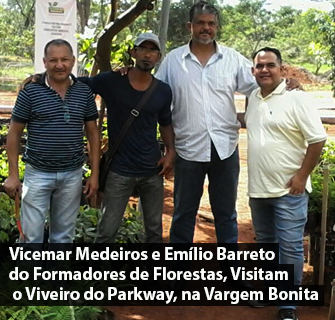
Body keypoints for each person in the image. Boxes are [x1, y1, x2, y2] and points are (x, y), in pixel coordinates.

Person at [155, 1, 259, 245]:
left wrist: (249, 117)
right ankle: (178, 274)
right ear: (189, 26)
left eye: (211, 23)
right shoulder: (173, 61)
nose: (206, 28)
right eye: (200, 23)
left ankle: (230, 274)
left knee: (225, 214)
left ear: (217, 27)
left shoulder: (232, 59)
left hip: (225, 148)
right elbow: (157, 97)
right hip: (187, 149)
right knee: (183, 214)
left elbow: (257, 88)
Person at [243, 47, 327, 320]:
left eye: (270, 65)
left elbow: (317, 139)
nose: (264, 70)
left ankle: (288, 303)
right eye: (259, 66)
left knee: (290, 245)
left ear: (281, 68)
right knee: (267, 243)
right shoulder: (253, 98)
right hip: (259, 188)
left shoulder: (296, 99)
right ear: (253, 70)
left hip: (289, 189)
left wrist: (302, 175)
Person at [79, 32, 175, 243]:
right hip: (119, 171)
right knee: (107, 230)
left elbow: (166, 124)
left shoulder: (163, 91)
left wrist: (170, 153)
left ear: (158, 57)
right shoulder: (112, 81)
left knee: (154, 231)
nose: (147, 55)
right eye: (143, 49)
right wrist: (43, 78)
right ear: (133, 52)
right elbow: (80, 83)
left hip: (152, 170)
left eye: (152, 51)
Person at [4, 39, 100, 243]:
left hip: (72, 175)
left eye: (64, 59)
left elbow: (93, 134)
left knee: (64, 236)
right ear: (45, 62)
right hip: (37, 174)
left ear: (73, 61)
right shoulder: (30, 92)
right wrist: (13, 175)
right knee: (30, 237)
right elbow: (14, 134)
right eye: (53, 60)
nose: (59, 65)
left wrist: (95, 175)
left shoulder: (84, 93)